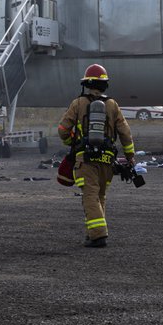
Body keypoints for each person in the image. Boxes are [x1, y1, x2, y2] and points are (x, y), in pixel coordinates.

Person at [57, 63, 135, 248]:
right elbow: (125, 132)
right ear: (104, 85)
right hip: (108, 160)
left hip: (86, 160)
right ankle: (93, 234)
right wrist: (130, 155)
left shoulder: (78, 103)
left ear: (86, 84)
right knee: (100, 196)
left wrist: (71, 143)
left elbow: (62, 130)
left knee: (89, 196)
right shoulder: (112, 105)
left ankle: (99, 235)